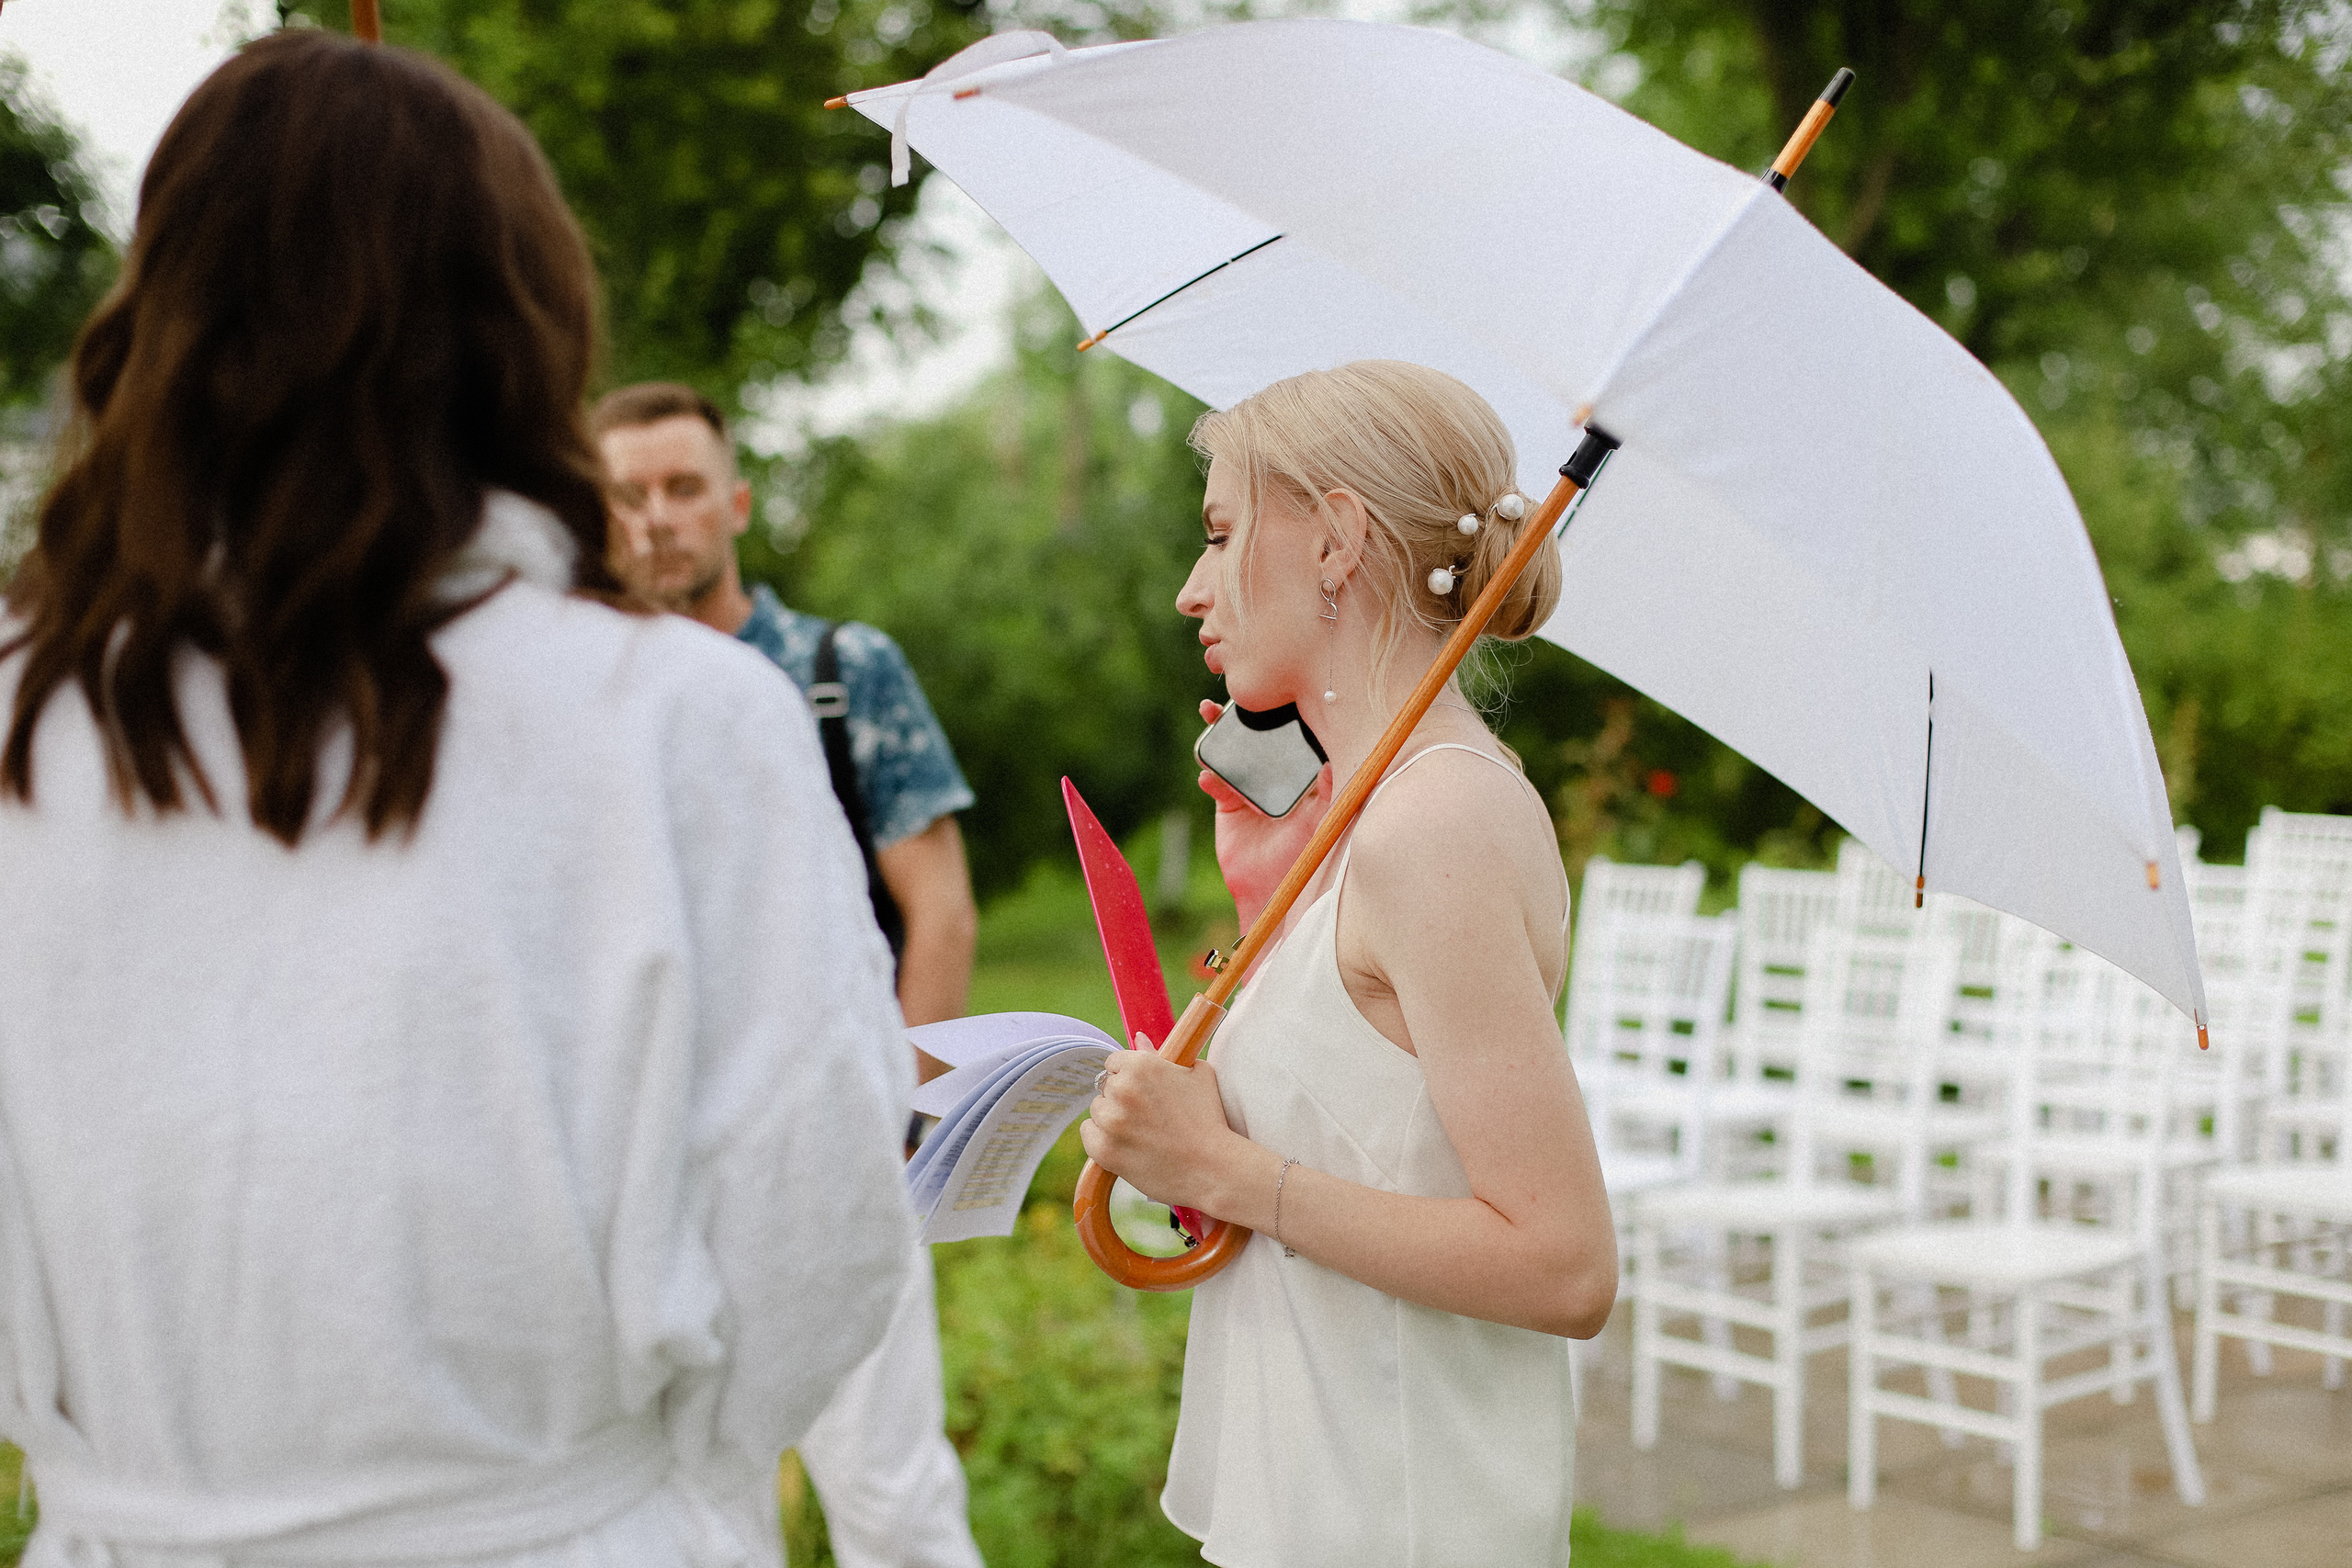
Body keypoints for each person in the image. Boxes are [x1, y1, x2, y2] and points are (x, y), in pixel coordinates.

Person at [0, 31, 915, 1568]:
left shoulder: (24, 712)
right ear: (519, 326)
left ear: (160, 313)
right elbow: (812, 1217)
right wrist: (651, 1478)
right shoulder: (680, 717)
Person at [1081, 361, 1620, 1567]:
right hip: (1332, 1496)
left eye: (1221, 534)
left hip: (1402, 1514)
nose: (1190, 590)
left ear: (1335, 539)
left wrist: (1225, 1169)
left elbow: (1564, 1263)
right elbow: (1368, 1127)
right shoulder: (1366, 816)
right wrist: (1265, 901)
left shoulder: (1433, 823)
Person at [594, 387, 984, 1568]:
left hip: (833, 1147)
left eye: (682, 487)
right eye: (626, 492)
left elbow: (940, 910)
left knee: (889, 1497)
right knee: (691, 1515)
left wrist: (900, 1123)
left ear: (736, 503)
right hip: (642, 1165)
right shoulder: (583, 692)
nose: (656, 516)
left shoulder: (836, 670)